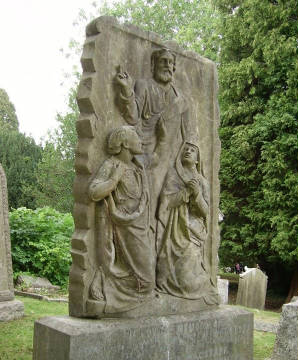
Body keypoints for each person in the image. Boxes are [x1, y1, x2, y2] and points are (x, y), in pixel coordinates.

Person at [115, 48, 191, 229]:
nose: (167, 65)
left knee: (165, 201)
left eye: (170, 62)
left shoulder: (181, 99)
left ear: (174, 68)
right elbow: (133, 117)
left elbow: (186, 133)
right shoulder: (144, 85)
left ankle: (162, 244)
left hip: (171, 156)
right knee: (146, 202)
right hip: (146, 152)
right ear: (153, 64)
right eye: (163, 61)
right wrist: (126, 89)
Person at [88, 126, 155, 313]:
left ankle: (112, 290)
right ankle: (105, 288)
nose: (140, 140)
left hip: (139, 227)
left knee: (148, 279)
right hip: (122, 227)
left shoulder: (138, 167)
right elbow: (93, 192)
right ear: (125, 143)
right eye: (136, 137)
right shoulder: (112, 165)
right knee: (147, 281)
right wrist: (114, 180)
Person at [155, 141, 219, 304]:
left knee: (185, 278)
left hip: (193, 233)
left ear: (198, 159)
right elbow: (166, 202)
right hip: (174, 230)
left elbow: (206, 212)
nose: (188, 152)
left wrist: (197, 194)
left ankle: (204, 284)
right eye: (185, 149)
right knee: (162, 272)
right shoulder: (173, 175)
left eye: (192, 150)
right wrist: (186, 192)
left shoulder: (202, 182)